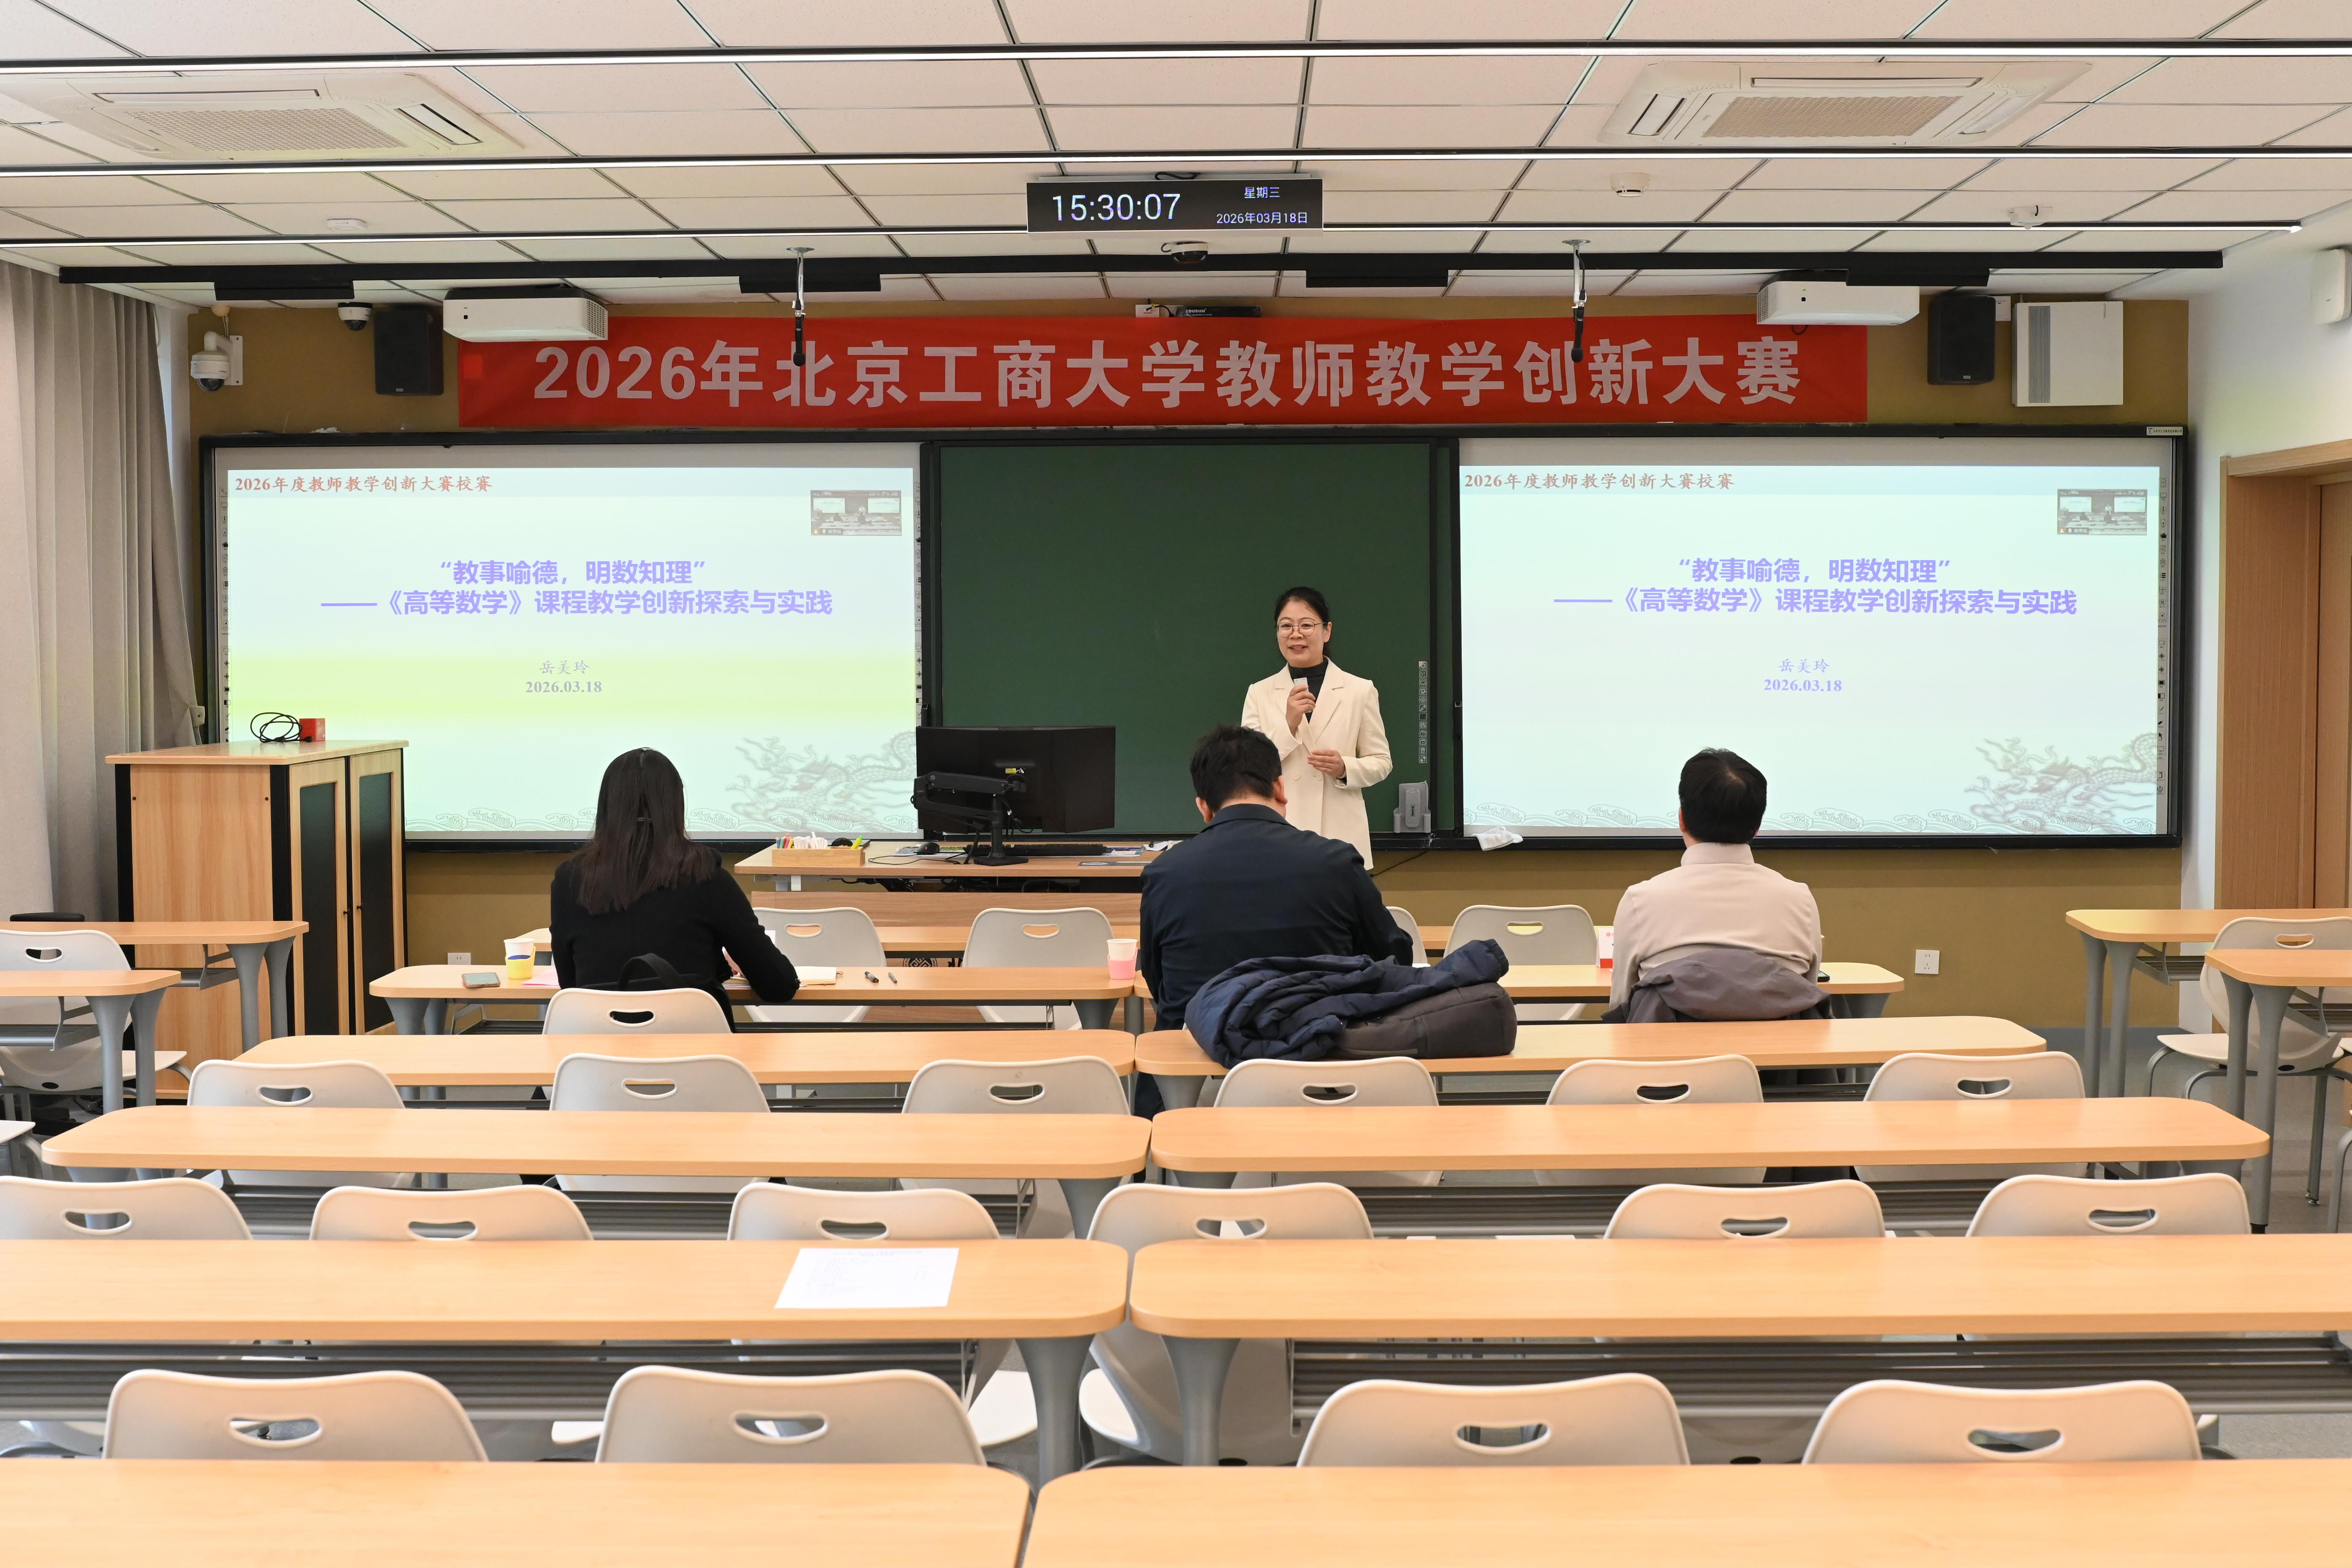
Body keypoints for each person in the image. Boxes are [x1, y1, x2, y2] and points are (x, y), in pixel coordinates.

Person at [1140, 725, 1414, 1044]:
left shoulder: (1165, 873)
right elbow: (1394, 957)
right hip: (1318, 1057)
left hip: (1193, 1062)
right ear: (1281, 788)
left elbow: (1157, 979)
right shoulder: (1336, 863)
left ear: (1204, 807)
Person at [550, 748, 799, 1023]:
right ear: (675, 805)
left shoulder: (569, 880)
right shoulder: (706, 876)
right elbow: (779, 986)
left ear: (607, 805)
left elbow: (570, 985)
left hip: (597, 1046)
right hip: (695, 1045)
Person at [1608, 748, 1822, 1013]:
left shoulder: (1640, 901)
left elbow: (1623, 1007)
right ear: (1757, 827)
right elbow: (1806, 997)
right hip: (1777, 1042)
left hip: (1668, 1041)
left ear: (1682, 819)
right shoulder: (1800, 900)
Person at [1240, 585, 1393, 867]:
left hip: (1339, 835)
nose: (1295, 634)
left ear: (1327, 631)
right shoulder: (1259, 693)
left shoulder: (1359, 690)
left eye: (1306, 625)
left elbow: (1382, 762)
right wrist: (1288, 723)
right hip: (1279, 832)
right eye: (1286, 626)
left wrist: (1345, 768)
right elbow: (1247, 766)